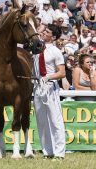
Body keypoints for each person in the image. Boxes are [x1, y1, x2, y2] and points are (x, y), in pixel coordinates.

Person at [33, 23, 65, 160]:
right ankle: (48, 151)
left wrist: (48, 77)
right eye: (44, 30)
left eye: (47, 31)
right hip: (37, 87)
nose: (44, 32)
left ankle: (59, 153)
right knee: (41, 121)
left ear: (54, 36)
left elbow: (62, 73)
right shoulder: (36, 48)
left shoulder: (56, 51)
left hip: (50, 87)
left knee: (55, 120)